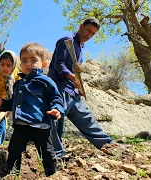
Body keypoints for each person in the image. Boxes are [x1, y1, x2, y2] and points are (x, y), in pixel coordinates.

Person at [0, 43, 64, 176]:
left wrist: (56, 109)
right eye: (24, 61)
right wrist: (2, 103)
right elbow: (13, 103)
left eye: (33, 60)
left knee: (47, 152)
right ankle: (13, 173)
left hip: (41, 125)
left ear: (44, 63)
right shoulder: (19, 84)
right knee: (14, 150)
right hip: (21, 125)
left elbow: (56, 98)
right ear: (20, 65)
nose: (28, 64)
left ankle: (51, 174)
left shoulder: (46, 82)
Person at [47, 17, 114, 158]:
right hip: (59, 89)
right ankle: (56, 154)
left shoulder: (81, 47)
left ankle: (109, 145)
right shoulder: (66, 41)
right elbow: (59, 64)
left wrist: (78, 87)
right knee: (56, 119)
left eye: (93, 34)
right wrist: (73, 78)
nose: (89, 35)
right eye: (88, 30)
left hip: (72, 91)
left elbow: (75, 69)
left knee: (86, 118)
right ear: (81, 26)